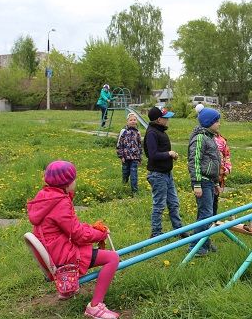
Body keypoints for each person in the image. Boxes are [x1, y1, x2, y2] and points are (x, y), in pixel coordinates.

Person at [27, 160, 120, 319]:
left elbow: (72, 227)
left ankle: (67, 287)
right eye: (74, 179)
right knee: (112, 258)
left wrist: (93, 229)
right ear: (66, 183)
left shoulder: (45, 196)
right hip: (63, 253)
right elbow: (79, 235)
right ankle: (95, 307)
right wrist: (101, 234)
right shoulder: (60, 202)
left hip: (53, 248)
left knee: (101, 252)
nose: (75, 181)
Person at [143, 107, 189, 239]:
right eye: (166, 117)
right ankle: (156, 233)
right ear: (159, 119)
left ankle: (178, 230)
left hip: (167, 173)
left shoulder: (160, 131)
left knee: (174, 203)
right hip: (157, 175)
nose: (168, 120)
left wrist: (170, 155)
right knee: (159, 204)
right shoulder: (152, 133)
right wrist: (168, 153)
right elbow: (152, 154)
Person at [188, 107, 222, 256]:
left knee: (208, 214)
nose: (219, 124)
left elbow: (213, 162)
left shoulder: (210, 137)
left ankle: (205, 242)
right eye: (217, 121)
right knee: (206, 214)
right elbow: (194, 162)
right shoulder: (200, 138)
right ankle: (196, 247)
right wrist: (196, 184)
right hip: (201, 181)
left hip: (209, 181)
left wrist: (215, 183)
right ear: (209, 122)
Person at [116, 112, 143, 195]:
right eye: (131, 120)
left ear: (137, 121)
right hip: (125, 157)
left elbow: (139, 145)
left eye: (134, 120)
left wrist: (140, 157)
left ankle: (135, 191)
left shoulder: (138, 132)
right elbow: (119, 144)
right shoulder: (123, 131)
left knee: (134, 174)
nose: (133, 121)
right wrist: (121, 156)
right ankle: (124, 186)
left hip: (135, 158)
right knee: (125, 172)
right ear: (127, 121)